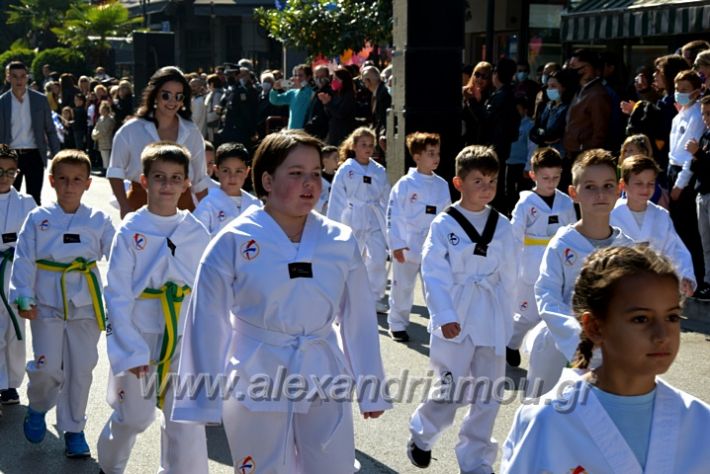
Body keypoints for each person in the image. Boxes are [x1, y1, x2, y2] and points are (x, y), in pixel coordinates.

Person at [171, 129, 391, 473]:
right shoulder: (234, 240)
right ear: (267, 181)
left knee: (332, 467)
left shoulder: (339, 239)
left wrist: (370, 386)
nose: (310, 183)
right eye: (296, 173)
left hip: (322, 370)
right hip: (255, 372)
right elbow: (207, 320)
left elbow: (359, 317)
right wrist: (201, 399)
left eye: (316, 174)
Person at [502, 245, 710, 473]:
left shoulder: (700, 421)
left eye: (672, 317)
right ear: (595, 327)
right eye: (641, 319)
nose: (662, 335)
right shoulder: (546, 420)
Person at [97, 142, 210, 474]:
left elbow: (209, 290)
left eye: (176, 178)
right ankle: (110, 465)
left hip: (184, 335)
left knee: (186, 420)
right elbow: (116, 293)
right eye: (159, 177)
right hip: (141, 333)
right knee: (134, 416)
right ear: (143, 181)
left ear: (187, 182)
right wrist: (130, 351)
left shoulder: (195, 230)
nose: (167, 185)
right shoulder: (131, 230)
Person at [406, 145, 517, 473]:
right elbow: (433, 271)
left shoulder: (503, 225)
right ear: (459, 183)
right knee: (450, 389)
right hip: (457, 313)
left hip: (491, 316)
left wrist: (509, 321)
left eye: (493, 181)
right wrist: (445, 316)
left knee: (488, 395)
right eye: (479, 181)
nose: (487, 188)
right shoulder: (444, 224)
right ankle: (422, 434)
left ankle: (476, 461)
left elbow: (512, 275)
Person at [10, 150, 114, 456]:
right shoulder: (38, 218)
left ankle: (74, 429)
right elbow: (24, 258)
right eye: (64, 179)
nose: (70, 186)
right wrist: (24, 296)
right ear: (52, 181)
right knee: (47, 368)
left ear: (87, 183)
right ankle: (39, 407)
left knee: (81, 370)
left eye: (77, 180)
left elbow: (121, 258)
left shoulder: (98, 220)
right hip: (46, 304)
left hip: (85, 305)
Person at [529, 150, 633, 397]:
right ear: (574, 193)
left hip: (612, 349)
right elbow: (546, 294)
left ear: (619, 189)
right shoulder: (562, 244)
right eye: (590, 187)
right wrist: (578, 334)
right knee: (544, 418)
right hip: (560, 345)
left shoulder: (627, 248)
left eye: (608, 185)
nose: (600, 194)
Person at [107, 66, 211, 218]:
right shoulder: (130, 129)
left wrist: (207, 215)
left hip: (182, 207)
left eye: (179, 96)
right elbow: (115, 171)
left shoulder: (192, 131)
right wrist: (124, 205)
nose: (172, 101)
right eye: (166, 95)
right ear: (154, 95)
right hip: (140, 205)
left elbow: (200, 180)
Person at [506, 147, 576, 368]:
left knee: (559, 313)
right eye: (545, 178)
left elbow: (573, 231)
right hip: (531, 264)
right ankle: (511, 343)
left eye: (556, 177)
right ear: (533, 175)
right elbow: (514, 236)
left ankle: (561, 356)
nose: (551, 182)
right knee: (527, 316)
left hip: (560, 263)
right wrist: (510, 266)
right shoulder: (525, 204)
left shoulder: (565, 202)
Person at [386, 132, 451, 343]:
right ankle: (397, 324)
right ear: (417, 156)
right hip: (407, 244)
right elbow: (393, 215)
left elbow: (447, 215)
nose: (436, 158)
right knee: (402, 286)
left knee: (435, 286)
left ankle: (439, 324)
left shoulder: (442, 185)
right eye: (430, 153)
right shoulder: (405, 185)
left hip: (432, 245)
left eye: (438, 153)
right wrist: (396, 244)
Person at [612, 154, 695, 297]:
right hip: (620, 288)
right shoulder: (611, 215)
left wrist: (684, 276)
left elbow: (675, 249)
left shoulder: (661, 215)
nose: (645, 188)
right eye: (639, 183)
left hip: (655, 286)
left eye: (650, 183)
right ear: (623, 185)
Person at [327, 127, 390, 312]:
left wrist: (389, 225)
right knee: (351, 259)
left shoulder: (379, 170)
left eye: (371, 145)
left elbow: (386, 199)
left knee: (378, 258)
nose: (368, 148)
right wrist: (333, 228)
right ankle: (344, 295)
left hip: (373, 217)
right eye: (363, 145)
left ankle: (374, 296)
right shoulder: (346, 169)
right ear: (354, 146)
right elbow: (337, 199)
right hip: (352, 218)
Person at [0, 145, 36, 408]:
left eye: (10, 172)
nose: (5, 177)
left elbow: (35, 241)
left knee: (15, 329)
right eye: (0, 171)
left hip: (17, 274)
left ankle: (12, 382)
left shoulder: (26, 203)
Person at [0, 61, 61, 205]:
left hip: (34, 155)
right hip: (10, 156)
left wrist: (58, 157)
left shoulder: (40, 100)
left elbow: (50, 130)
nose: (19, 80)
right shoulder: (2, 102)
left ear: (27, 77)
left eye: (22, 76)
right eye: (14, 76)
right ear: (8, 78)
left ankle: (34, 228)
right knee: (7, 198)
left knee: (34, 198)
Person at [668, 69, 705, 287]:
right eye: (677, 89)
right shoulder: (680, 114)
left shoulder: (697, 114)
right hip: (673, 168)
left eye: (685, 90)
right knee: (678, 228)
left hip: (686, 173)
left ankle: (697, 277)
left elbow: (691, 153)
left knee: (689, 230)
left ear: (696, 92)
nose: (679, 93)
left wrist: (681, 183)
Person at [563, 49, 612, 184]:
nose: (571, 71)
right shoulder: (580, 90)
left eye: (575, 67)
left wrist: (587, 154)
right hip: (573, 153)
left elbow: (600, 132)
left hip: (584, 156)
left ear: (589, 68)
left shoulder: (597, 94)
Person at [193, 142, 261, 236]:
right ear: (216, 171)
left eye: (238, 171)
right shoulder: (208, 204)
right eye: (226, 170)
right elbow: (196, 237)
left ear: (247, 172)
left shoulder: (255, 204)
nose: (232, 177)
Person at [687, 95, 710, 299]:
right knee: (705, 243)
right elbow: (697, 166)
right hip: (702, 192)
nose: (705, 118)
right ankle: (708, 281)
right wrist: (696, 155)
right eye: (703, 114)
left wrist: (699, 154)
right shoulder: (705, 136)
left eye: (709, 113)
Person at [529, 68, 578, 160]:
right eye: (548, 86)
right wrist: (541, 134)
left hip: (561, 155)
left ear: (564, 87)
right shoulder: (546, 106)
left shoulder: (569, 108)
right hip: (544, 155)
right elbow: (534, 130)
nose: (549, 89)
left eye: (553, 86)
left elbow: (554, 134)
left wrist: (541, 134)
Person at [619, 134, 669, 209]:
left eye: (631, 150)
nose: (626, 154)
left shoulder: (655, 190)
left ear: (644, 152)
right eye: (625, 150)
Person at [505, 96, 535, 212]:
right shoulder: (509, 123)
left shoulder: (530, 125)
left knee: (522, 193)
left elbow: (532, 147)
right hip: (509, 162)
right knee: (509, 192)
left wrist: (528, 166)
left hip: (522, 164)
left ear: (525, 110)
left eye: (518, 109)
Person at [318, 67, 357, 146]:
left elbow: (341, 113)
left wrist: (328, 104)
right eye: (333, 79)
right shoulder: (335, 94)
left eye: (336, 79)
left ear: (343, 80)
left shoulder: (349, 95)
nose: (333, 81)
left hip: (343, 133)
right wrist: (326, 102)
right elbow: (330, 114)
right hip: (334, 131)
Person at [268, 64, 314, 129]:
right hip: (292, 130)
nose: (297, 78)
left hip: (305, 131)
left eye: (300, 76)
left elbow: (308, 92)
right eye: (295, 75)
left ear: (308, 77)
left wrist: (302, 86)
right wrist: (275, 89)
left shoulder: (311, 91)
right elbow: (275, 100)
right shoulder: (292, 92)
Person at [462, 61, 494, 146]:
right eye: (477, 74)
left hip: (481, 143)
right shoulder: (465, 91)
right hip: (465, 141)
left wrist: (473, 101)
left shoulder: (491, 97)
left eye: (484, 77)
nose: (479, 79)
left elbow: (483, 120)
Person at [91, 100, 116, 176]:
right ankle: (105, 169)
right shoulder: (100, 118)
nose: (103, 111)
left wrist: (96, 135)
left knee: (106, 157)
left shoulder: (110, 119)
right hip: (100, 141)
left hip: (107, 141)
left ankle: (107, 171)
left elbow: (105, 131)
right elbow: (96, 127)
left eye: (105, 110)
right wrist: (94, 134)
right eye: (102, 110)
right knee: (103, 156)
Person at [315, 145, 338, 215]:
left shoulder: (340, 176)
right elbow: (311, 197)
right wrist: (324, 203)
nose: (338, 160)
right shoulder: (316, 178)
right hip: (322, 215)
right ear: (325, 161)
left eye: (338, 157)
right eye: (335, 158)